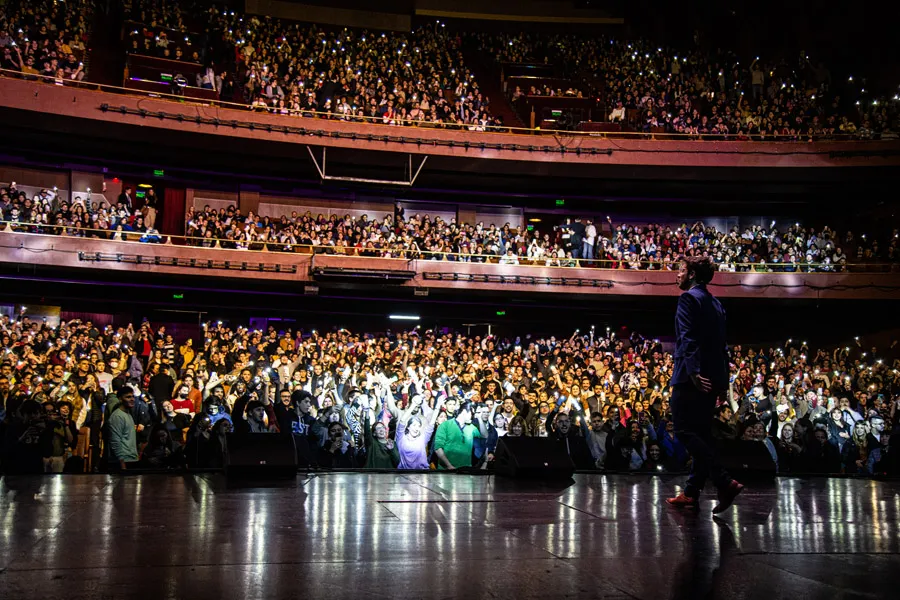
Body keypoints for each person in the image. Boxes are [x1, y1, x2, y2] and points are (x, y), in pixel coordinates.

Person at [667, 256, 743, 512]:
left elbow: (687, 339)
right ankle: (691, 492)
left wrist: (693, 372)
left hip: (693, 378)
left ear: (692, 275)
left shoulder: (688, 298)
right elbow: (721, 345)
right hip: (713, 378)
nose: (677, 275)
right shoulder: (717, 304)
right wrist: (721, 381)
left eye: (681, 270)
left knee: (684, 431)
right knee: (701, 434)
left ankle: (724, 481)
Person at [433, 402, 485, 470]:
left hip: (465, 470)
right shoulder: (445, 425)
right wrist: (449, 465)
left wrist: (480, 418)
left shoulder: (472, 427)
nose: (473, 416)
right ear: (464, 411)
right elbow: (438, 448)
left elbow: (484, 436)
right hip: (446, 470)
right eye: (472, 414)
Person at [108, 385, 141, 471]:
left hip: (131, 459)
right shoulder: (117, 416)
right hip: (124, 461)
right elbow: (115, 441)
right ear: (120, 399)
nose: (132, 399)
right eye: (128, 397)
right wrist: (122, 464)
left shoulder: (128, 414)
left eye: (133, 396)